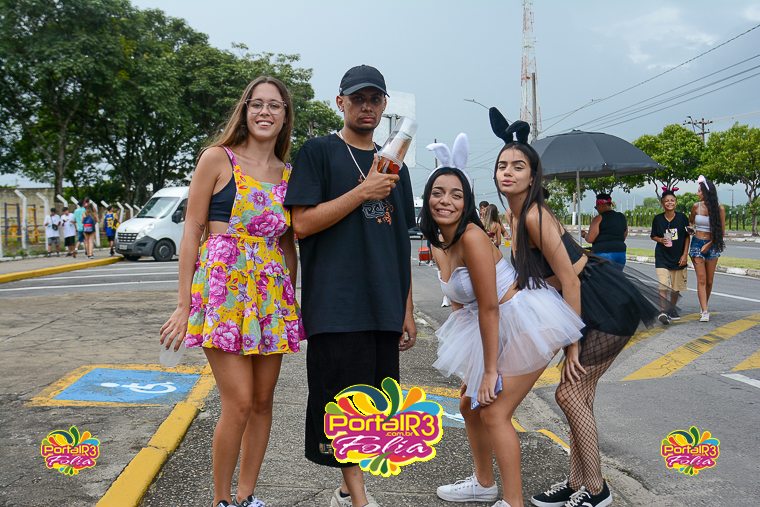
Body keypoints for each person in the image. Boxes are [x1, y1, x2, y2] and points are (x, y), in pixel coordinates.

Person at [488, 109, 676, 507]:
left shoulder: (534, 215)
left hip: (602, 302)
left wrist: (571, 343)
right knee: (579, 395)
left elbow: (570, 280)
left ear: (533, 177)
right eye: (502, 165)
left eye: (518, 167)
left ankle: (596, 489)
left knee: (569, 394)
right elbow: (533, 277)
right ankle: (577, 481)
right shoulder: (514, 216)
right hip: (584, 304)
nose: (508, 172)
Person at [159, 76, 303, 507]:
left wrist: (289, 303)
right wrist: (184, 304)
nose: (264, 112)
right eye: (256, 104)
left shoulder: (289, 175)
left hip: (270, 298)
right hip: (223, 293)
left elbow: (287, 246)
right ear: (245, 110)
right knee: (238, 402)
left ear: (285, 116)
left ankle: (246, 496)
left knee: (262, 402)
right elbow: (192, 230)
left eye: (274, 105)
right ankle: (221, 500)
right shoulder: (217, 159)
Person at [425, 134, 584, 507]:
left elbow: (490, 308)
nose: (446, 201)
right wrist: (475, 365)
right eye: (438, 193)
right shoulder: (437, 242)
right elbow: (462, 308)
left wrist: (490, 371)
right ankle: (483, 483)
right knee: (468, 405)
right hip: (494, 323)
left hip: (527, 319)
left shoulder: (472, 237)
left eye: (456, 195)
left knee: (494, 411)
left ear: (467, 203)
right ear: (427, 197)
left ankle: (513, 502)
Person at [284, 65, 416, 507]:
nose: (366, 107)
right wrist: (362, 192)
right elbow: (301, 224)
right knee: (343, 404)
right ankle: (359, 497)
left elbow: (399, 242)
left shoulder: (396, 164)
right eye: (358, 99)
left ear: (384, 105)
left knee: (375, 409)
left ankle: (346, 490)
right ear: (340, 102)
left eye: (375, 99)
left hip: (383, 306)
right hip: (336, 307)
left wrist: (406, 309)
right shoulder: (318, 152)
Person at [688, 175, 725, 322]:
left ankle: (704, 304)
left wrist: (708, 244)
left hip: (712, 245)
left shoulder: (719, 209)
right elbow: (691, 222)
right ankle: (704, 311)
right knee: (702, 279)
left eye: (699, 191)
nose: (697, 193)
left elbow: (721, 233)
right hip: (697, 244)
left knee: (709, 281)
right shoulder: (696, 206)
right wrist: (691, 229)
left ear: (706, 192)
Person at [650, 187, 690, 323]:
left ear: (676, 202)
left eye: (672, 200)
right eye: (666, 201)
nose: (669, 203)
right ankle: (663, 311)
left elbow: (687, 236)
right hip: (662, 257)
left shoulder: (682, 218)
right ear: (662, 203)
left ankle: (671, 309)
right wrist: (660, 240)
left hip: (678, 258)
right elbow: (653, 236)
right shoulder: (658, 219)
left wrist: (684, 255)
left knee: (675, 288)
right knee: (663, 284)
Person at [581, 193, 628, 269]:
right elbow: (624, 235)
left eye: (596, 207)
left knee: (600, 276)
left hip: (603, 254)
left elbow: (590, 239)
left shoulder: (598, 218)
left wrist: (584, 235)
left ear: (601, 205)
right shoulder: (622, 217)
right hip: (620, 253)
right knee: (616, 276)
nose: (597, 210)